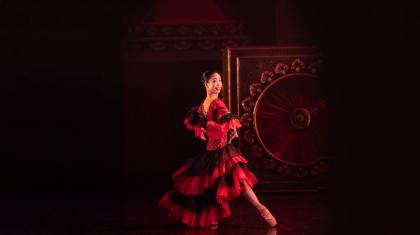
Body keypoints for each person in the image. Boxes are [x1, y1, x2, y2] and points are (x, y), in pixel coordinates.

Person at [158, 70, 277, 230]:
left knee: (239, 182)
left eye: (220, 80)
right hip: (209, 153)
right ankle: (212, 219)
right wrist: (205, 130)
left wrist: (230, 129)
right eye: (214, 81)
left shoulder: (218, 103)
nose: (218, 84)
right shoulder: (202, 107)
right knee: (209, 186)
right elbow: (198, 124)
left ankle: (260, 207)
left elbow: (227, 116)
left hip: (223, 152)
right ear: (206, 84)